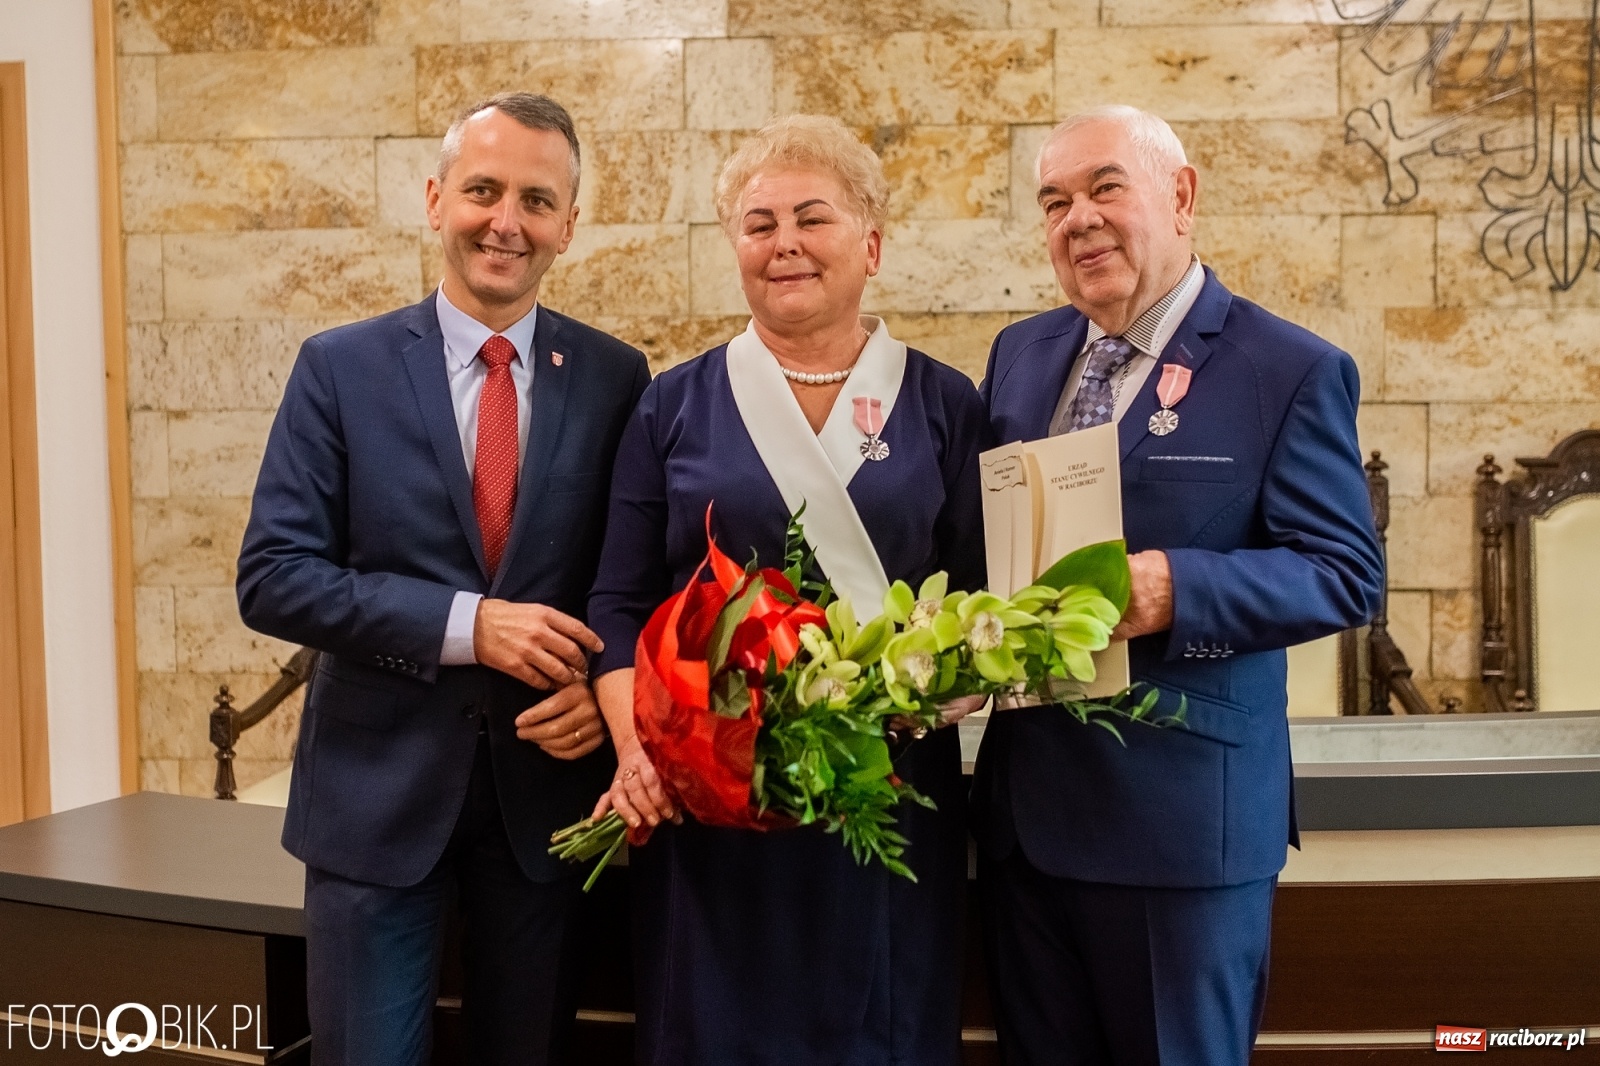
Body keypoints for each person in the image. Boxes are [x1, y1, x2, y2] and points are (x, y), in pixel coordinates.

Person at [236, 92, 649, 1066]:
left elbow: (629, 587)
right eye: (483, 189)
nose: (506, 219)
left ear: (568, 226)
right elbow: (273, 576)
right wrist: (469, 624)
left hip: (546, 811)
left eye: (536, 200)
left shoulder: (618, 377)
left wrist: (608, 694)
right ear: (435, 199)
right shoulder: (338, 368)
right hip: (371, 810)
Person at [975, 105, 1385, 1066]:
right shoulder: (1021, 353)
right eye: (1054, 201)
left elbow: (1346, 574)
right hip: (1025, 825)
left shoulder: (1288, 369)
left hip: (1182, 833)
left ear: (1182, 196)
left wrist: (1171, 588)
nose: (1077, 219)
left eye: (1104, 187)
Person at [585, 114, 989, 1066]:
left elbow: (984, 597)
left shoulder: (946, 405)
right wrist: (641, 755)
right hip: (710, 806)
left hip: (887, 800)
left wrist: (942, 690)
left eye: (813, 218)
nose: (785, 244)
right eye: (759, 223)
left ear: (873, 243)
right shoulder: (673, 404)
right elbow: (616, 603)